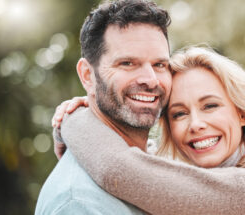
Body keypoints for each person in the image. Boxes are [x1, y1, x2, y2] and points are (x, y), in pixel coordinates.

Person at [54, 47, 245, 214]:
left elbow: (118, 169)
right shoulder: (192, 177)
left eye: (210, 106)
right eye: (179, 113)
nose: (196, 124)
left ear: (241, 113)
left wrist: (72, 119)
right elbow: (145, 160)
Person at [35, 0, 172, 214]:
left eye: (159, 65)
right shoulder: (79, 203)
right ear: (88, 76)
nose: (151, 80)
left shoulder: (159, 165)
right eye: (128, 63)